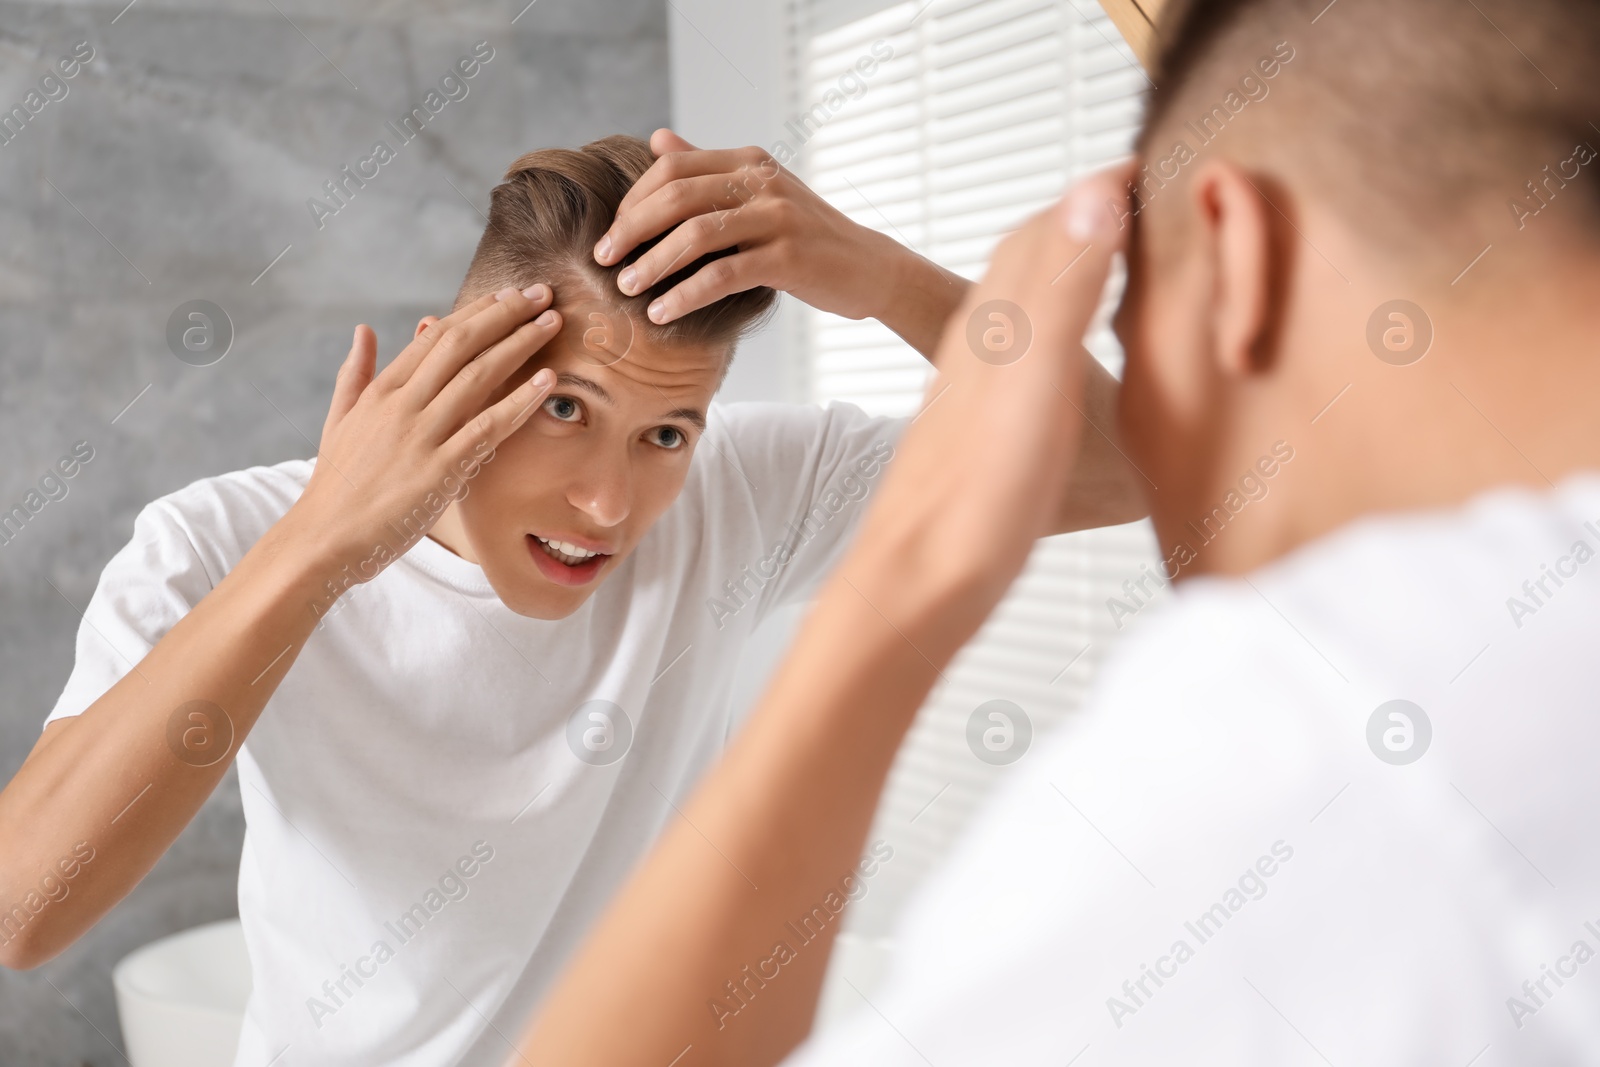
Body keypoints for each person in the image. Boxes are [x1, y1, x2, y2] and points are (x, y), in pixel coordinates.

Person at [508, 0, 1600, 1063]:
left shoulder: (1336, 708)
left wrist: (903, 579)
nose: (606, 499)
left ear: (1234, 259)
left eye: (1130, 328)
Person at [0, 134, 1142, 1065]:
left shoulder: (742, 495)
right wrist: (321, 547)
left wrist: (886, 276)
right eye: (564, 410)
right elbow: (24, 909)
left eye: (664, 433)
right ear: (441, 364)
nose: (608, 501)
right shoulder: (223, 540)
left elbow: (1134, 463)